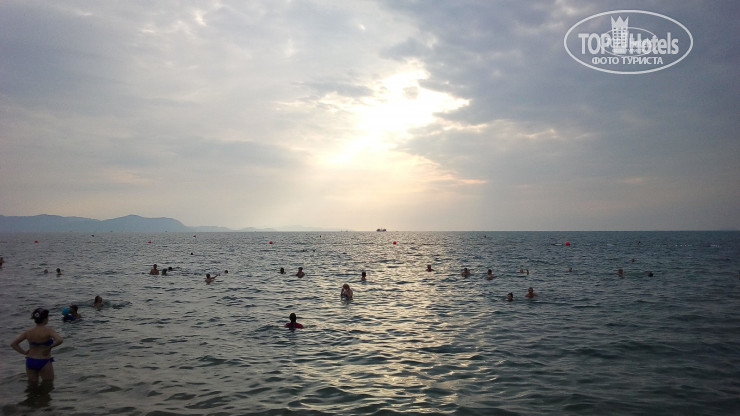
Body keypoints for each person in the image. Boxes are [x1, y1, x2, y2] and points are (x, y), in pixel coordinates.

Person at [10, 308, 64, 385]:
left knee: (32, 386)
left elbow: (13, 344)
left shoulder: (28, 332)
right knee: (48, 385)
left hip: (30, 360)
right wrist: (50, 347)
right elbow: (60, 340)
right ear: (45, 319)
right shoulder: (48, 330)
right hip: (43, 360)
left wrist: (24, 352)